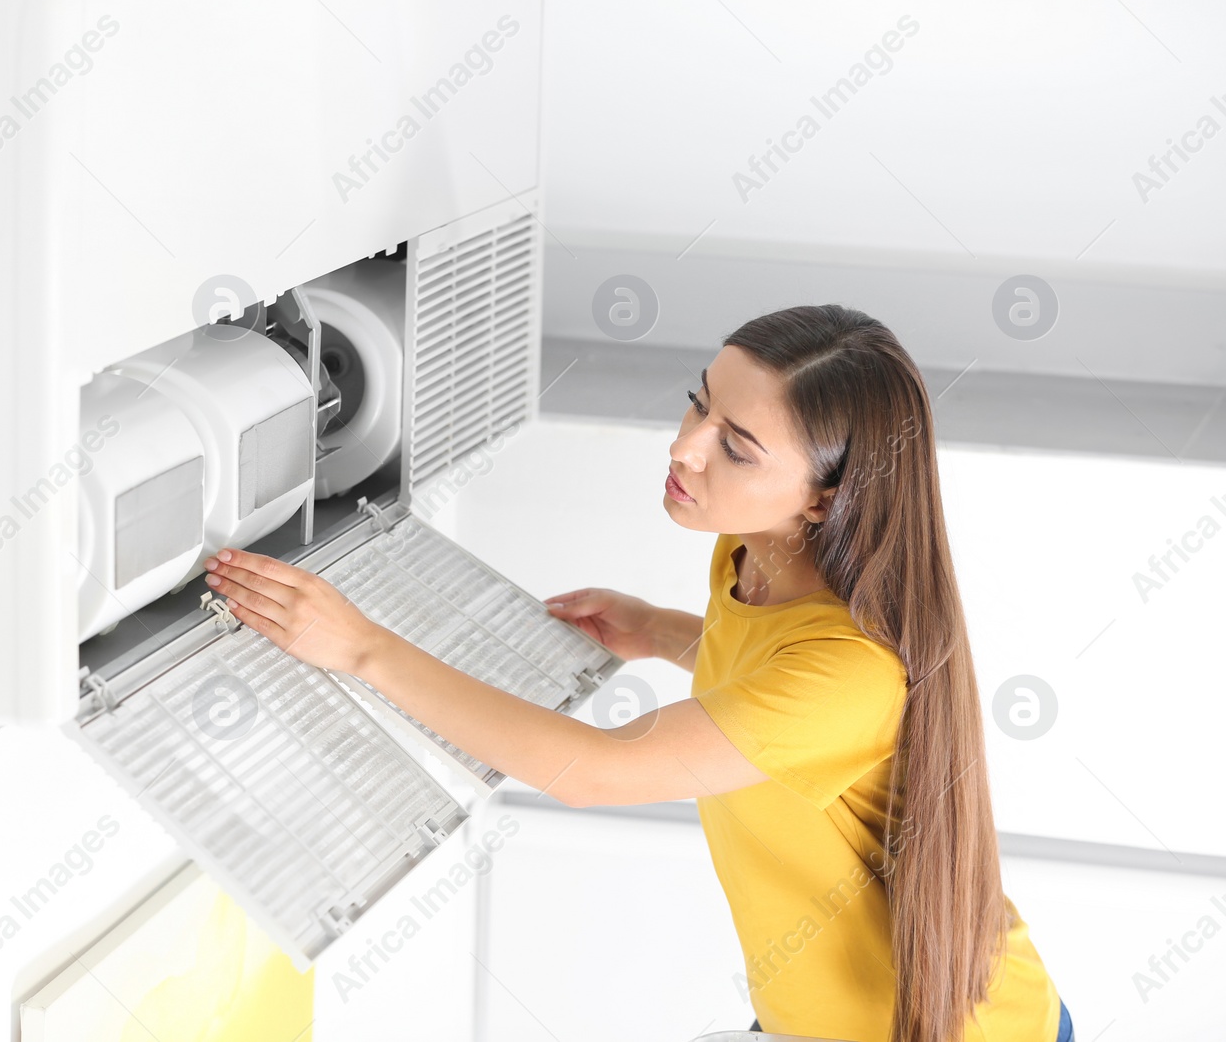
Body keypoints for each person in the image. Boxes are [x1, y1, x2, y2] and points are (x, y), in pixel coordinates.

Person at [201, 304, 1070, 1042]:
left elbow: (597, 771)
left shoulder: (845, 672)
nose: (685, 446)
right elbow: (766, 687)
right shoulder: (756, 554)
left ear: (824, 497)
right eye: (700, 402)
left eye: (736, 445)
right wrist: (660, 631)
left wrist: (364, 648)